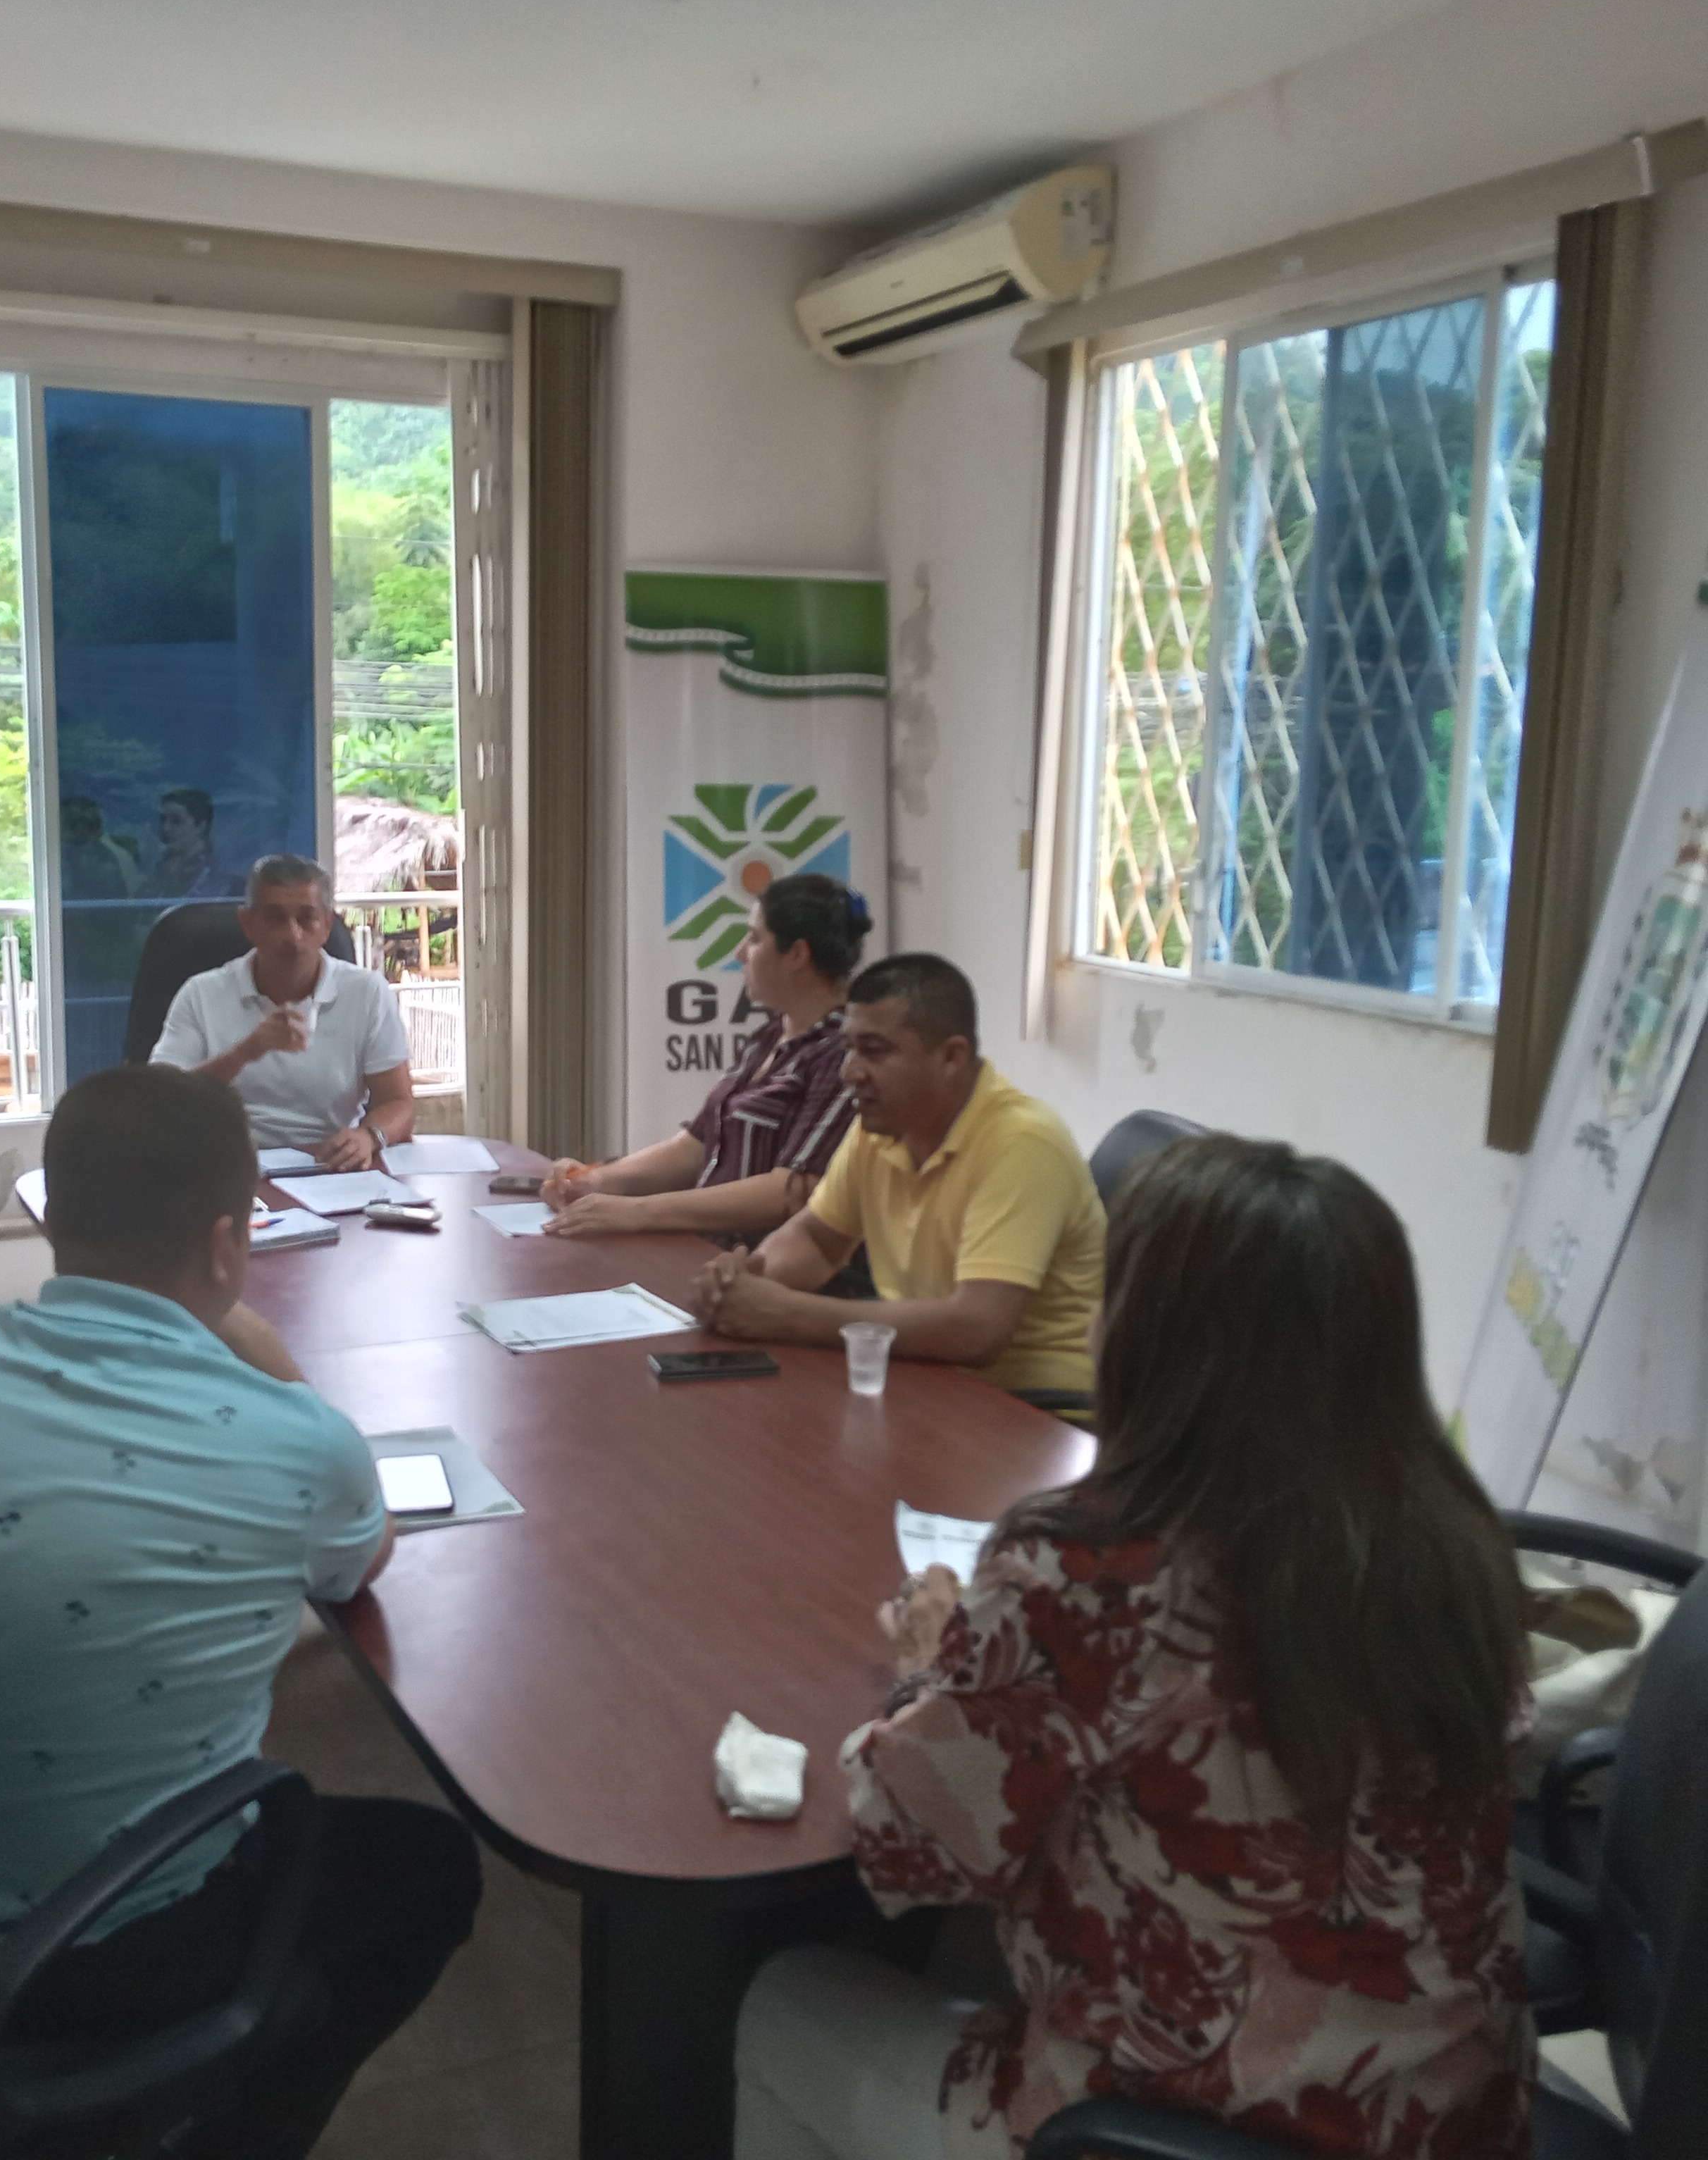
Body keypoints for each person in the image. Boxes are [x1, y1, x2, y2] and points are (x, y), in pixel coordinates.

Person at [0, 1065, 480, 2160]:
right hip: (119, 1945)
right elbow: (358, 1565)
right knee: (431, 1868)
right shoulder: (296, 1440)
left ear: (56, 1218)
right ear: (228, 1243)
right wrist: (269, 1361)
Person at [733, 1136, 1534, 2160]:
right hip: (1452, 2114)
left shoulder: (1093, 1567)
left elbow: (907, 1840)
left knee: (787, 1997)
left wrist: (929, 1668)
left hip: (1180, 2124)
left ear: (1147, 1338)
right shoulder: (1456, 1545)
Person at [690, 952, 1102, 1398]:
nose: (850, 1073)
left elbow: (978, 1329)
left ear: (951, 1057)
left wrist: (785, 1314)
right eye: (849, 1048)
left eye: (874, 1051)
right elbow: (818, 1241)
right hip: (930, 1379)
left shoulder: (1022, 1144)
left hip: (1038, 1409)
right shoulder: (881, 1128)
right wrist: (748, 1285)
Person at [540, 874, 868, 1242]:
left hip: (767, 1265)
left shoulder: (845, 1053)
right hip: (710, 1252)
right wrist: (594, 1181)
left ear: (797, 955)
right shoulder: (769, 1036)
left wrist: (637, 1212)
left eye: (755, 938)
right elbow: (694, 1147)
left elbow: (793, 1190)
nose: (740, 953)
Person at [151, 852, 416, 1170]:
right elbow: (161, 1102)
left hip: (331, 1165)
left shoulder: (367, 993)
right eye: (275, 919)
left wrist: (369, 1137)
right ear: (248, 924)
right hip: (223, 1166)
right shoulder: (201, 994)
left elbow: (399, 1102)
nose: (293, 936)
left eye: (307, 918)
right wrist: (247, 1051)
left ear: (327, 925)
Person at [148, 786, 243, 901]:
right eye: (163, 820)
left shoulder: (226, 883)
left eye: (176, 821)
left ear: (201, 826)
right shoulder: (157, 874)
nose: (165, 828)